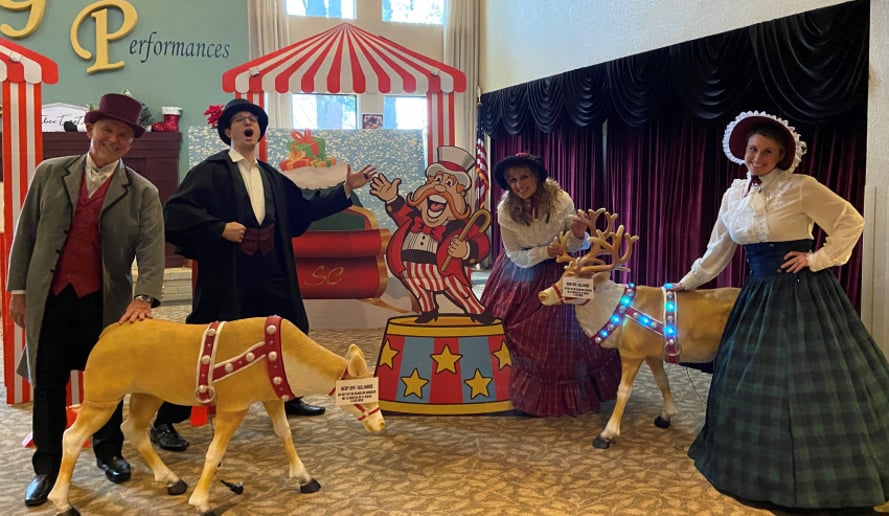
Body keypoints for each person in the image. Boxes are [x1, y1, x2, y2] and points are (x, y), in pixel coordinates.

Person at [674, 111, 889, 510]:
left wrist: (817, 259)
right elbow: (718, 250)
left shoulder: (801, 187)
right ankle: (756, 466)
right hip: (758, 295)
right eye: (753, 149)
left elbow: (850, 221)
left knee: (807, 376)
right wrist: (687, 282)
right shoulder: (732, 194)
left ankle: (825, 469)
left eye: (767, 152)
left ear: (782, 156)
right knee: (752, 376)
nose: (757, 157)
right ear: (743, 150)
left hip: (803, 293)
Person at [151, 98, 377, 452]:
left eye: (254, 119)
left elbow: (304, 209)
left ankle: (287, 398)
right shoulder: (211, 171)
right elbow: (177, 212)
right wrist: (218, 228)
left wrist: (346, 189)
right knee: (209, 345)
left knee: (286, 335)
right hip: (229, 275)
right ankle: (166, 418)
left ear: (259, 131)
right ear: (228, 131)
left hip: (272, 272)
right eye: (241, 119)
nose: (248, 123)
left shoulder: (271, 176)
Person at [6, 93, 166, 507]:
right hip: (51, 298)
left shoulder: (142, 191)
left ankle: (108, 451)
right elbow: (25, 235)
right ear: (91, 129)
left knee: (108, 385)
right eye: (108, 129)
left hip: (107, 303)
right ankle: (47, 466)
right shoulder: (49, 172)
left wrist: (145, 296)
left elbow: (152, 249)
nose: (114, 139)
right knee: (47, 383)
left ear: (131, 143)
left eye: (124, 135)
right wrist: (18, 290)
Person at [480, 153, 621, 417]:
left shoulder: (561, 200)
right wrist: (546, 251)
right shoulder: (504, 210)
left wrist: (579, 234)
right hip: (520, 272)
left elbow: (577, 244)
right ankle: (511, 393)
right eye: (513, 180)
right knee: (509, 324)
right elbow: (513, 253)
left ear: (536, 177)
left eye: (524, 177)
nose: (519, 185)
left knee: (568, 332)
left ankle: (567, 397)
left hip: (561, 271)